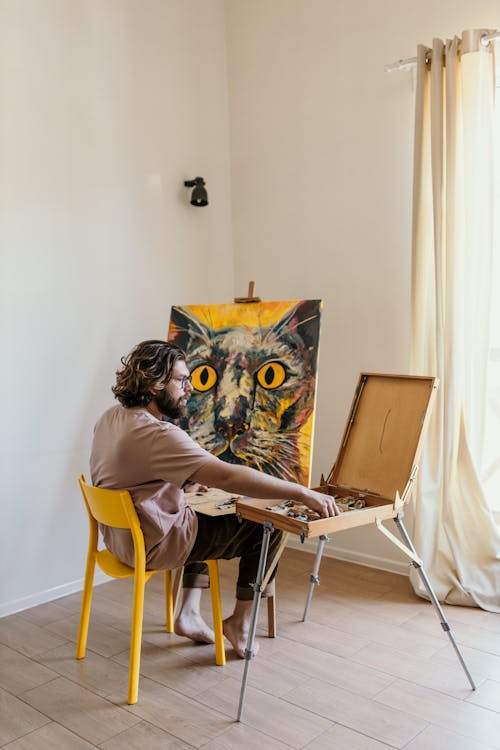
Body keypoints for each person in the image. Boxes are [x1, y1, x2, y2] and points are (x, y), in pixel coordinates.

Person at [90, 340, 339, 657]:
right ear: (154, 384)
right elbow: (227, 476)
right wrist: (301, 492)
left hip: (118, 541)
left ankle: (190, 613)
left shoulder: (111, 418)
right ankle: (240, 622)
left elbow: (131, 477)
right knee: (269, 525)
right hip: (152, 546)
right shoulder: (157, 435)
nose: (190, 388)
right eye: (181, 380)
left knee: (197, 511)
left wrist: (182, 488)